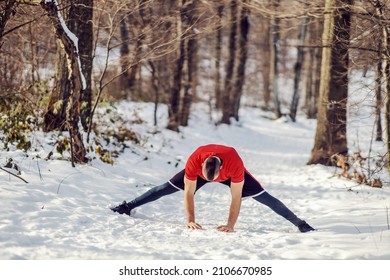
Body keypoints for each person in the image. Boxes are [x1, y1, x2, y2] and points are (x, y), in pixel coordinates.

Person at [111, 144, 315, 233]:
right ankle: (127, 207)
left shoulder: (234, 164)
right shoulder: (195, 160)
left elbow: (236, 199)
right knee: (166, 188)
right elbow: (188, 193)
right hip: (200, 171)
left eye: (215, 179)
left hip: (232, 171)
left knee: (265, 197)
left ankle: (300, 223)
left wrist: (230, 225)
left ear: (221, 170)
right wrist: (190, 220)